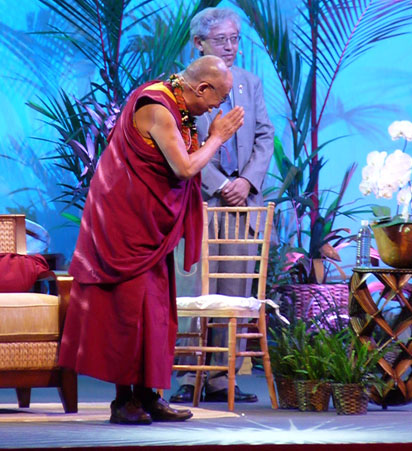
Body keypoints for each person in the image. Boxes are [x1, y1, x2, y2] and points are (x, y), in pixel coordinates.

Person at [58, 55, 244, 425]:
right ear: (202, 88)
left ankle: (148, 394)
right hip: (125, 224)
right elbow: (185, 167)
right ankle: (123, 400)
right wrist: (218, 137)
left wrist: (208, 137)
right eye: (217, 99)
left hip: (149, 222)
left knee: (156, 311)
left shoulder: (177, 105)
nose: (215, 108)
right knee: (129, 312)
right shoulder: (157, 107)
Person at [171, 7, 274, 404]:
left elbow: (264, 136)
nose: (231, 47)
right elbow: (181, 144)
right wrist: (219, 182)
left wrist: (246, 181)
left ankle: (220, 377)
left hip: (241, 203)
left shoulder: (250, 83)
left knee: (232, 290)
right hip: (199, 200)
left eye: (234, 39)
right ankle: (187, 375)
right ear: (198, 44)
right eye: (221, 40)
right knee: (193, 288)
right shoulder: (181, 87)